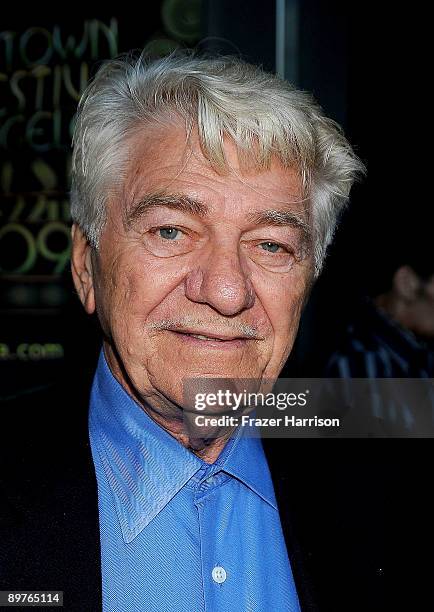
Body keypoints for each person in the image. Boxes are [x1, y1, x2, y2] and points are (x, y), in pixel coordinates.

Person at [0, 51, 368, 611]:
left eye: (271, 245)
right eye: (172, 231)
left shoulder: (391, 491)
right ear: (85, 266)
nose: (225, 290)